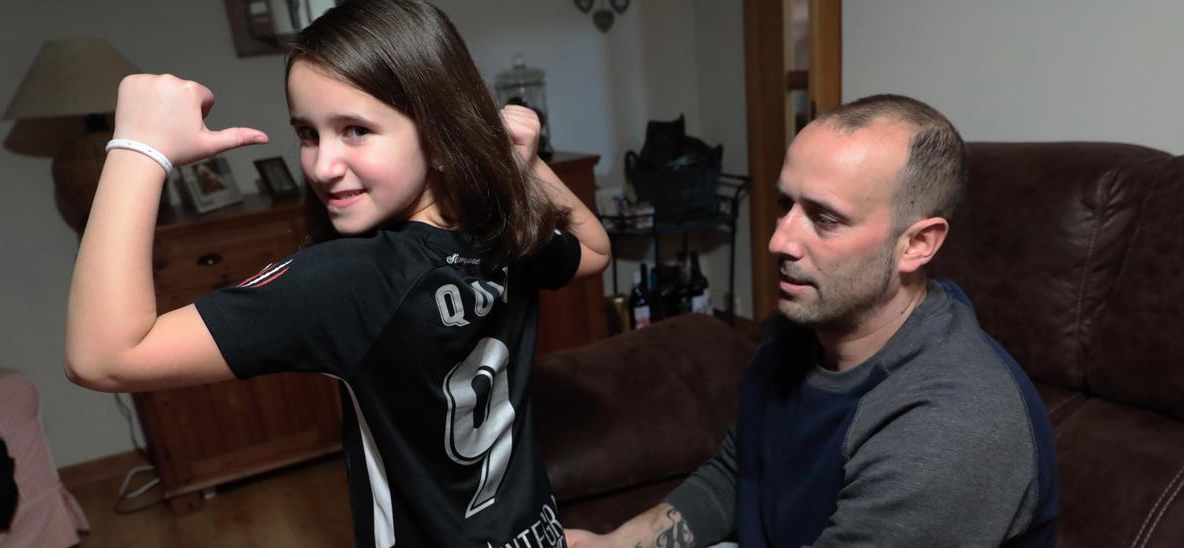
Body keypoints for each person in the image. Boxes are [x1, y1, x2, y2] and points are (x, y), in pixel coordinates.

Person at [63, 1, 610, 546]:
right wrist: (525, 161)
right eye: (307, 133)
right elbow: (594, 248)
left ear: (441, 134)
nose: (322, 166)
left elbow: (102, 357)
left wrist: (138, 147)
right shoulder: (501, 235)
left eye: (354, 130)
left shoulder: (354, 279)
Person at [567, 95, 1057, 547]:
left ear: (917, 244)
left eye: (824, 219)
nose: (780, 241)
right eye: (786, 205)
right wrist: (616, 543)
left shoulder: (951, 428)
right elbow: (741, 471)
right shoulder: (806, 326)